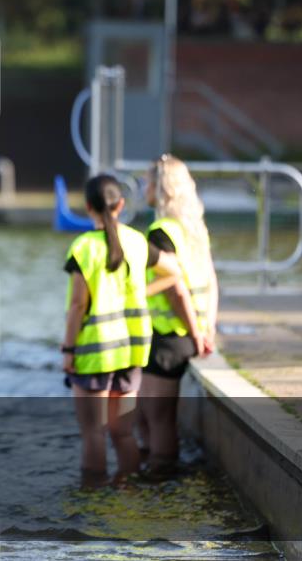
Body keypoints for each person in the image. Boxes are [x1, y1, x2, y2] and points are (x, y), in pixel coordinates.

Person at [61, 174, 203, 487]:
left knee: (93, 433)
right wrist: (144, 290)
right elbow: (175, 273)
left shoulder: (83, 247)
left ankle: (94, 498)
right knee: (123, 432)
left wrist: (68, 350)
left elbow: (77, 307)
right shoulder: (137, 241)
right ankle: (129, 491)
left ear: (88, 208)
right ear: (121, 205)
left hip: (93, 356)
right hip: (131, 354)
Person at [137, 154, 219, 473]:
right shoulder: (194, 229)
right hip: (188, 332)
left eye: (148, 181)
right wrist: (206, 326)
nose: (144, 187)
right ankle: (155, 472)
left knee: (157, 420)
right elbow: (211, 280)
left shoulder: (161, 232)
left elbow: (174, 289)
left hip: (170, 336)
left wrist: (196, 332)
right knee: (150, 416)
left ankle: (160, 483)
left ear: (161, 188)